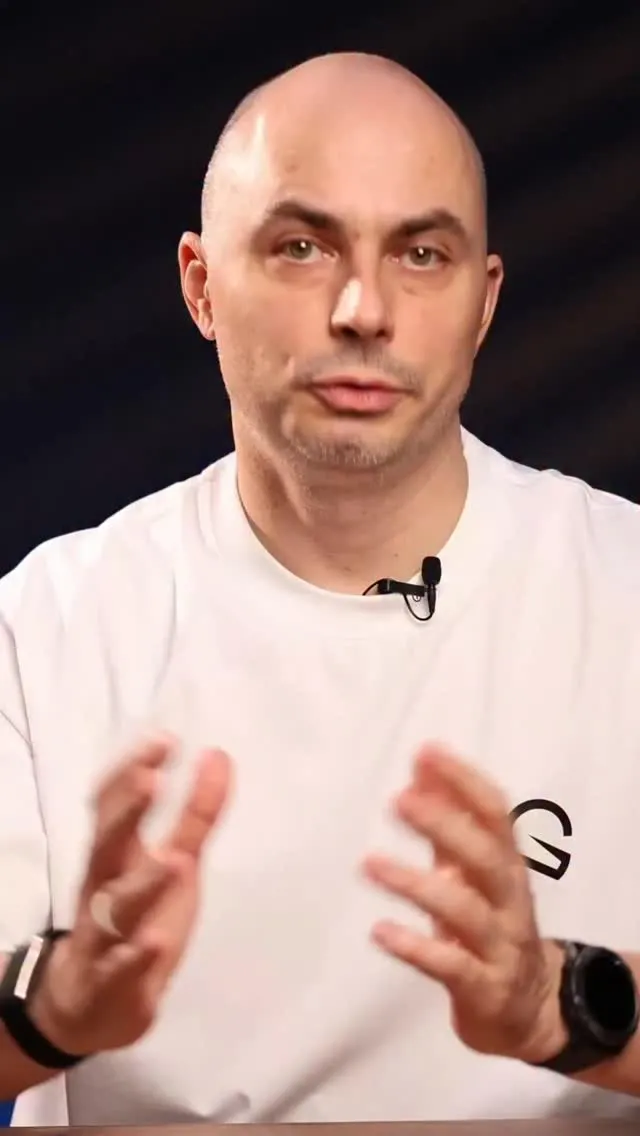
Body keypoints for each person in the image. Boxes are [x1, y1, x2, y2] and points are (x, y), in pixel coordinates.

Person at [1, 50, 640, 1127]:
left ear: (483, 302)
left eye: (421, 254)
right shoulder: (47, 626)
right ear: (202, 284)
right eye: (302, 247)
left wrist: (558, 1003)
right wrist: (51, 1011)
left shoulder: (624, 591)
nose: (363, 308)